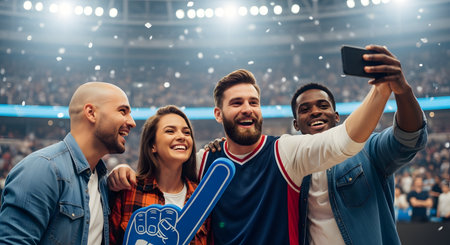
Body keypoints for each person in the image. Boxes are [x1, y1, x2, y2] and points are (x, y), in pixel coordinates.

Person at [109, 44, 394, 244]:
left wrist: (382, 89)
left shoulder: (286, 151)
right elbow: (162, 172)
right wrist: (122, 171)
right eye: (236, 103)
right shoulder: (203, 161)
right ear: (218, 114)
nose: (247, 109)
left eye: (253, 102)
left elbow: (343, 141)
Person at [290, 71, 426, 243]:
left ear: (337, 116)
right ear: (296, 124)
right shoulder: (291, 166)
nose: (315, 112)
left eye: (323, 106)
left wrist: (403, 91)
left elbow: (408, 138)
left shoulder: (367, 148)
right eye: (305, 109)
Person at [0, 82, 136, 244]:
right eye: (122, 111)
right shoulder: (42, 169)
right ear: (91, 113)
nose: (132, 122)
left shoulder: (103, 181)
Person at [109, 105, 208, 245]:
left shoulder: (201, 197)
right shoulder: (128, 190)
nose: (181, 137)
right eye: (170, 131)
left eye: (187, 133)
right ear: (152, 146)